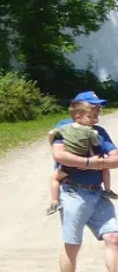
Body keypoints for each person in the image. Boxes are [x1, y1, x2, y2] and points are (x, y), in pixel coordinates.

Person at [50, 91, 118, 272]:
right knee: (73, 245)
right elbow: (60, 155)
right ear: (80, 108)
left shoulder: (100, 132)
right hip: (74, 193)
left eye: (99, 107)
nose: (98, 110)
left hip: (98, 193)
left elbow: (116, 159)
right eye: (93, 106)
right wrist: (90, 163)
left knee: (113, 237)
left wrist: (98, 164)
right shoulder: (65, 127)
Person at [49, 101, 116, 215]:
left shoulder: (64, 127)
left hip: (70, 164)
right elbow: (95, 143)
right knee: (105, 170)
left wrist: (51, 140)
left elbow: (52, 134)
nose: (98, 109)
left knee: (55, 178)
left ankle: (54, 202)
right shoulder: (90, 130)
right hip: (91, 158)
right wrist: (94, 161)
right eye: (95, 107)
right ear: (79, 115)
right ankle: (107, 190)